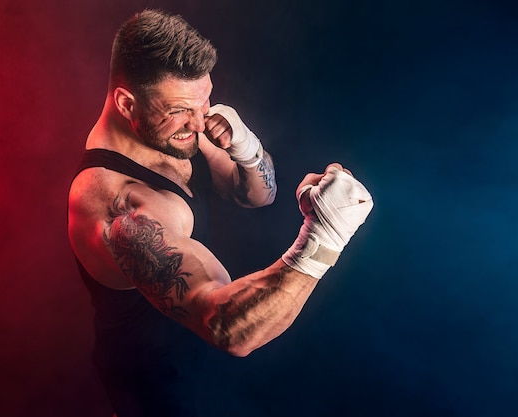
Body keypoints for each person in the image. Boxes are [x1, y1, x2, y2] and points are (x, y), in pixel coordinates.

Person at [67, 9, 374, 417]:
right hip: (159, 389)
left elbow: (258, 195)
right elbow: (227, 327)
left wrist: (245, 148)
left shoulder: (174, 128)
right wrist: (325, 237)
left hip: (204, 365)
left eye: (205, 101)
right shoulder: (119, 206)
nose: (198, 123)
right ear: (126, 103)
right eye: (182, 109)